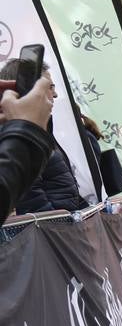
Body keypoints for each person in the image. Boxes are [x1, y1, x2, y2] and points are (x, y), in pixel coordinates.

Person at [1, 59, 86, 216]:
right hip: (52, 234)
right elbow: (31, 203)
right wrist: (60, 227)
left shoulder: (40, 129)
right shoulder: (16, 136)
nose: (55, 93)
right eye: (49, 86)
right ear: (29, 90)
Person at [0, 72, 57, 218]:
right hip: (48, 227)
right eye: (50, 87)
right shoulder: (27, 132)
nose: (55, 94)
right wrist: (25, 132)